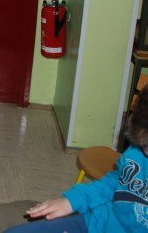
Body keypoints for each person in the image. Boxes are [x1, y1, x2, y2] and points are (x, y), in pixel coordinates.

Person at [17, 88, 148, 232]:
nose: (144, 151)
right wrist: (72, 201)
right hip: (97, 222)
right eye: (144, 145)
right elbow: (119, 180)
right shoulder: (138, 148)